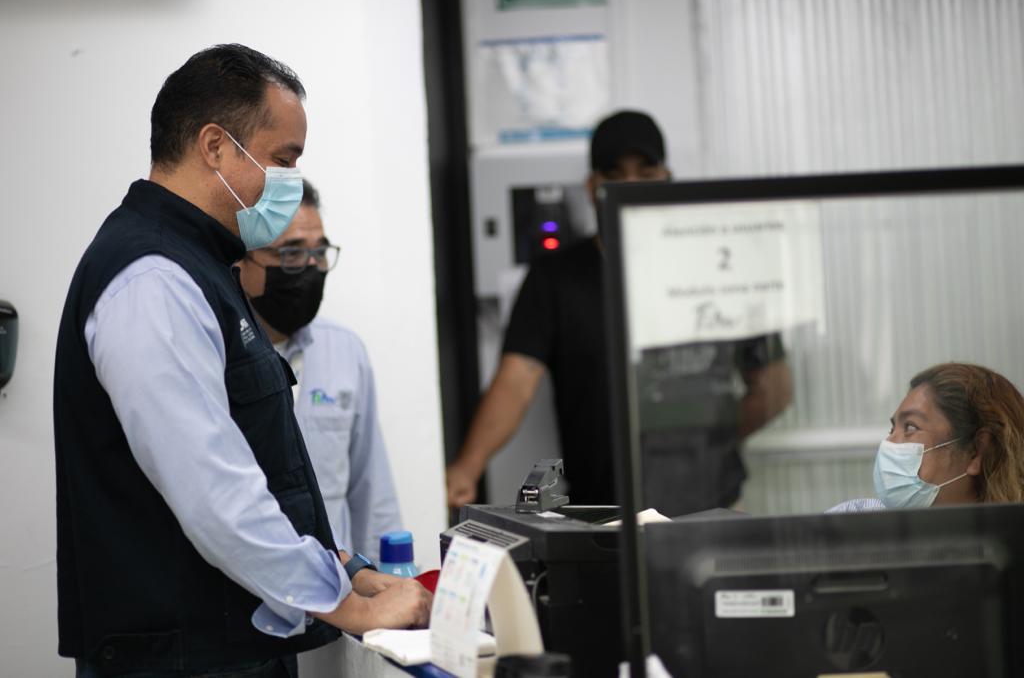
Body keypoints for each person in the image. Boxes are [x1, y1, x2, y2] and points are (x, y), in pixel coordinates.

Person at [53, 44, 429, 678]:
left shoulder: (202, 266)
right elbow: (215, 491)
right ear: (215, 147)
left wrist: (346, 569)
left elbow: (263, 471)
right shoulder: (153, 280)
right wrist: (348, 606)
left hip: (226, 646)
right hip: (181, 658)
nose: (290, 180)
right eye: (282, 159)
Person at [446, 110, 793, 515]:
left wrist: (706, 442)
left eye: (646, 173)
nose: (631, 187)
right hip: (602, 516)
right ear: (592, 187)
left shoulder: (715, 267)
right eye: (615, 174)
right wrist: (467, 468)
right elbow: (516, 382)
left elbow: (774, 387)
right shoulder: (555, 278)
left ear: (667, 179)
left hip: (710, 508)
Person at [237, 178, 402, 564]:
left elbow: (371, 492)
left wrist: (390, 580)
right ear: (242, 262)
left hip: (340, 585)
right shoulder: (217, 355)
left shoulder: (344, 351)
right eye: (292, 253)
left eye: (320, 252)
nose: (311, 266)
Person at [830, 362, 1024, 513]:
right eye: (892, 430)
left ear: (976, 452)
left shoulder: (1012, 543)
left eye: (910, 427)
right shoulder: (848, 526)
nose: (888, 443)